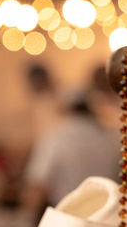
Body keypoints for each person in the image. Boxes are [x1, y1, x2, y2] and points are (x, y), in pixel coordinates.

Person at [23, 81, 120, 211]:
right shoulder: (110, 138)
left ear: (65, 108)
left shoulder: (55, 138)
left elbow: (37, 186)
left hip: (67, 218)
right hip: (106, 216)